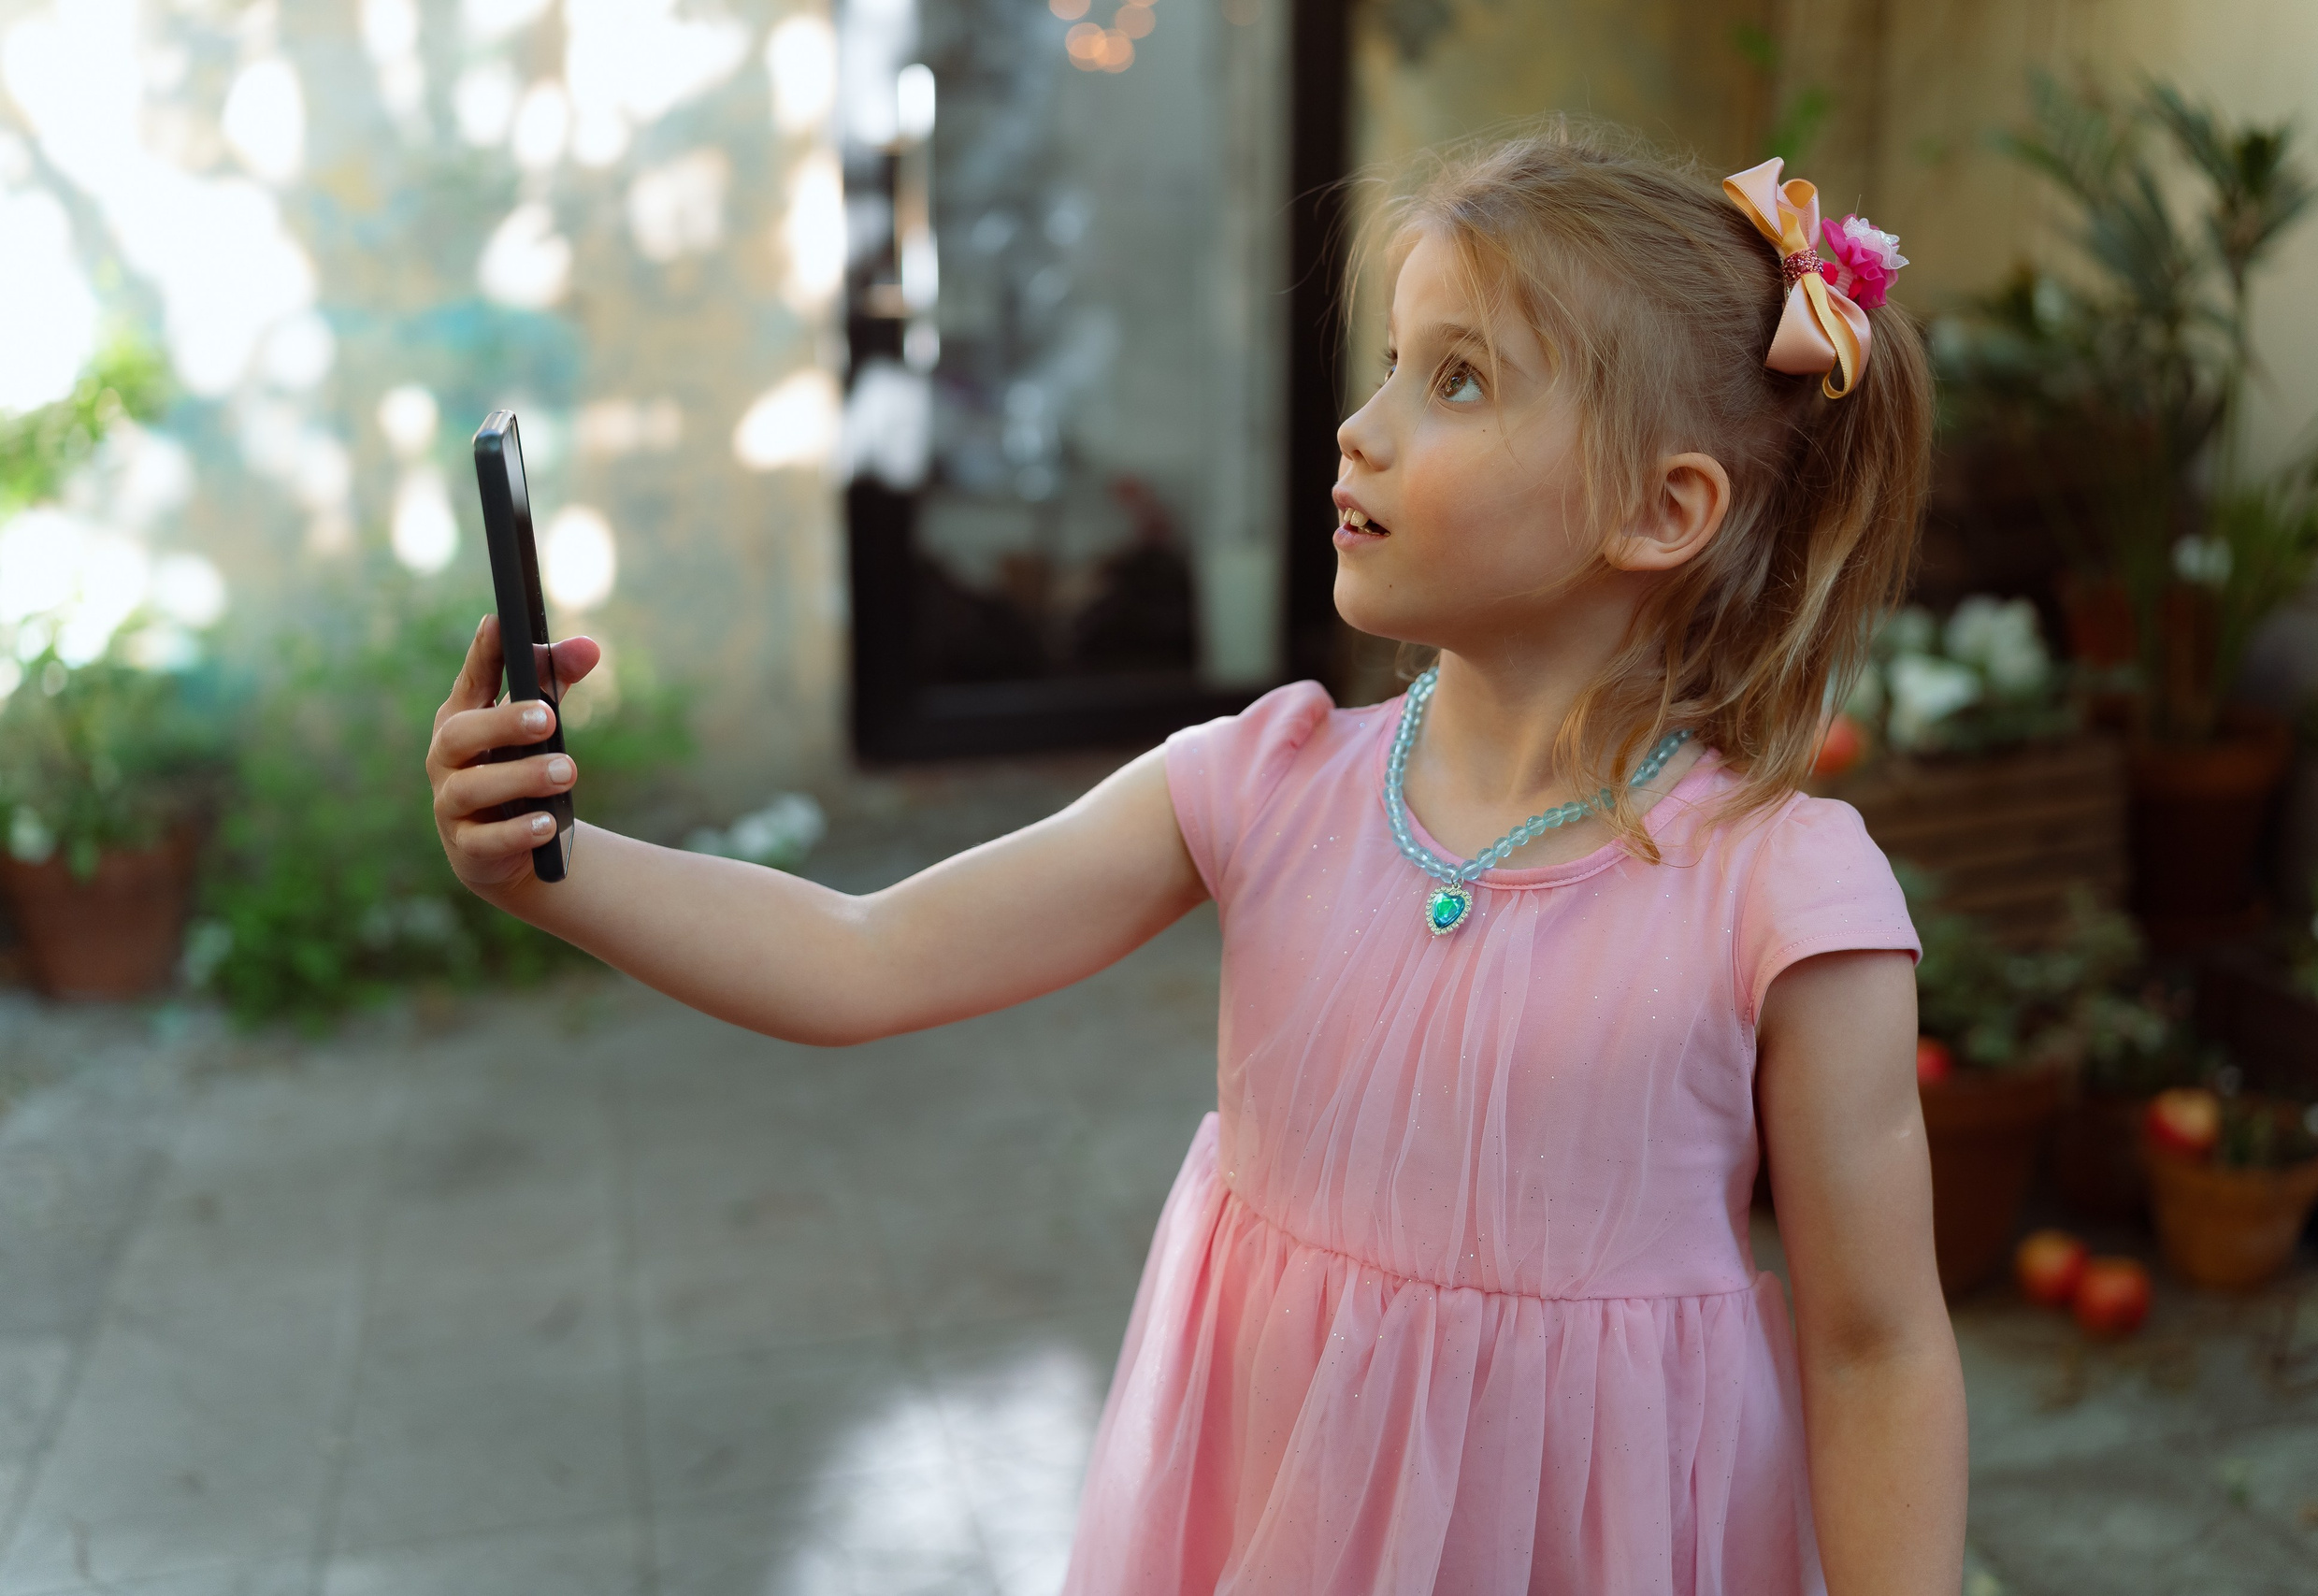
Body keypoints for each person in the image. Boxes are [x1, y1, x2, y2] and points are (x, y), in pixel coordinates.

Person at [425, 127, 1965, 1595]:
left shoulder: (1785, 896)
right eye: (1390, 363)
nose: (1362, 429)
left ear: (1661, 508)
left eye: (1463, 380)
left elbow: (1877, 1346)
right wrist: (553, 865)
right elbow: (864, 957)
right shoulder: (1265, 783)